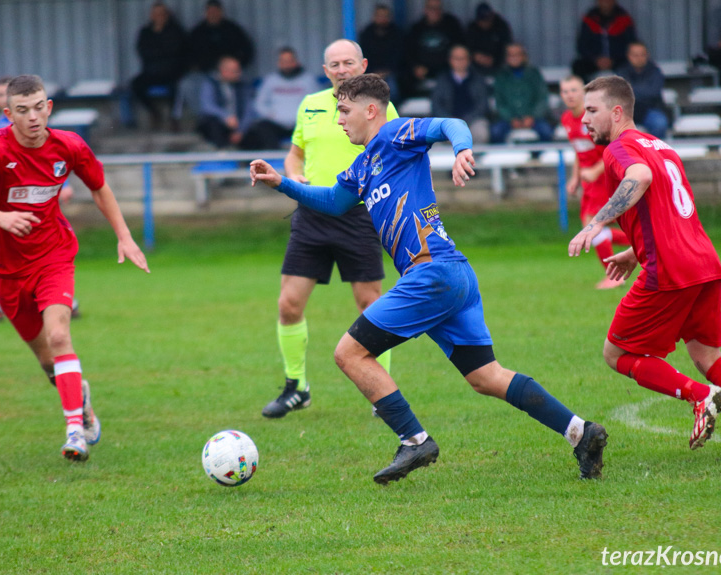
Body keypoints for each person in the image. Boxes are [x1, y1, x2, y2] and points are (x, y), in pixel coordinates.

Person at [251, 74, 608, 484]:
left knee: (348, 354)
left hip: (432, 273)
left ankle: (414, 440)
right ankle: (581, 433)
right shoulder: (363, 165)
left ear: (371, 110)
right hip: (452, 275)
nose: (339, 121)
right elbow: (333, 200)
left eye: (344, 111)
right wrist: (281, 183)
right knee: (486, 377)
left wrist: (462, 150)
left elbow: (450, 124)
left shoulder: (396, 133)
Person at [0, 75, 151, 462]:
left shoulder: (69, 145)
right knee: (45, 358)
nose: (33, 117)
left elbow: (99, 186)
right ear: (8, 114)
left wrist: (125, 236)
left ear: (49, 107)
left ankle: (74, 431)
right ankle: (80, 398)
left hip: (53, 255)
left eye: (39, 107)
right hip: (4, 268)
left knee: (58, 336)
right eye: (23, 111)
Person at [568, 75, 721, 456]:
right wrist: (633, 252)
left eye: (592, 111)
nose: (585, 120)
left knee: (617, 354)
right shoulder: (661, 146)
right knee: (706, 355)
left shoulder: (619, 148)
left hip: (672, 268)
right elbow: (667, 210)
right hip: (703, 260)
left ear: (616, 111)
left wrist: (595, 224)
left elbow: (639, 178)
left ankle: (701, 396)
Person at [260, 39, 398, 420]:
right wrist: (293, 175)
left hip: (360, 216)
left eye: (348, 62)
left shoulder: (379, 108)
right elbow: (295, 153)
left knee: (372, 306)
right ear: (325, 71)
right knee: (288, 304)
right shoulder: (311, 104)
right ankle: (296, 387)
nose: (342, 69)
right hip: (312, 214)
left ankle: (381, 393)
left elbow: (393, 155)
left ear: (363, 64)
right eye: (334, 64)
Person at [0, 77, 81, 323]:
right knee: (13, 256)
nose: (0, 99)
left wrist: (66, 184)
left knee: (42, 253)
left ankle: (59, 301)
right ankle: (18, 303)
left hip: (32, 200)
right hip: (10, 206)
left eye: (3, 94)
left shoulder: (30, 123)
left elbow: (51, 156)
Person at [559, 75, 629, 290]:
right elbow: (579, 151)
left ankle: (614, 276)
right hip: (589, 181)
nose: (569, 95)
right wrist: (575, 177)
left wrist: (596, 170)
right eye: (565, 91)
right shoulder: (567, 119)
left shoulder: (593, 118)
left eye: (574, 90)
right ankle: (647, 241)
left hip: (604, 177)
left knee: (592, 225)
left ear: (583, 92)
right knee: (591, 227)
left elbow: (611, 148)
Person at [173, 0, 255, 123]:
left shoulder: (233, 29)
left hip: (230, 72)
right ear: (205, 13)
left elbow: (248, 50)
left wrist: (236, 66)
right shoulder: (198, 31)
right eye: (210, 11)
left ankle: (236, 119)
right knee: (187, 84)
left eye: (215, 11)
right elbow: (186, 54)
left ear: (221, 12)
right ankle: (202, 117)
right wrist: (196, 66)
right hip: (206, 72)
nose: (213, 14)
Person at [242, 47, 320, 151]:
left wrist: (305, 117)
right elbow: (259, 103)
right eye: (283, 61)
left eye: (289, 61)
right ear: (279, 63)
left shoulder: (308, 80)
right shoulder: (270, 80)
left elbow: (317, 103)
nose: (287, 65)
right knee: (261, 127)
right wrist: (270, 114)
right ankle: (273, 158)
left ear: (296, 62)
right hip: (276, 124)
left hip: (300, 124)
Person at [130, 1, 186, 130]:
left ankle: (174, 118)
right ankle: (154, 112)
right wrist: (161, 53)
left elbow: (177, 51)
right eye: (156, 14)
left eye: (162, 13)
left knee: (177, 87)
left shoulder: (175, 31)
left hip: (172, 71)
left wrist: (159, 53)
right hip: (151, 71)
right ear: (151, 16)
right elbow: (143, 51)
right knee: (136, 84)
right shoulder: (145, 32)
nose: (159, 16)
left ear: (167, 15)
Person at [491, 44, 553, 143]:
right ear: (506, 58)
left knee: (546, 131)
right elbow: (500, 103)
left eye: (517, 54)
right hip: (508, 120)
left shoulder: (534, 74)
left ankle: (537, 157)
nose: (514, 58)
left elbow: (542, 98)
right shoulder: (501, 76)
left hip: (534, 118)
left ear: (524, 56)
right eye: (511, 55)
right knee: (496, 132)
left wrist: (532, 117)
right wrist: (511, 118)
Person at [403, 0, 464, 98]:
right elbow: (408, 51)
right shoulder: (417, 28)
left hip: (446, 68)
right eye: (431, 8)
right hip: (424, 69)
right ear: (425, 10)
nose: (435, 11)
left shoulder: (451, 25)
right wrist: (415, 66)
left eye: (437, 8)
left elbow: (460, 47)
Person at [431, 45, 490, 143]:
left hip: (473, 122)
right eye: (456, 58)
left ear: (469, 60)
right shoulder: (442, 79)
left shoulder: (478, 79)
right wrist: (451, 121)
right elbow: (436, 105)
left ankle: (474, 158)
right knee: (435, 135)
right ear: (450, 60)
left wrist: (465, 121)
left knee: (481, 132)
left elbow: (483, 105)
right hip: (447, 123)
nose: (460, 62)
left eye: (463, 58)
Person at [197, 55, 257, 148]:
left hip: (238, 124)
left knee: (256, 131)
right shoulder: (211, 83)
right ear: (223, 71)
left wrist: (240, 130)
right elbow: (207, 105)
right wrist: (226, 116)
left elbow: (248, 110)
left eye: (238, 70)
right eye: (235, 71)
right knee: (211, 123)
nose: (239, 73)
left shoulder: (243, 86)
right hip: (219, 123)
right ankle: (222, 152)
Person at [572, 0, 637, 81]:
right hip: (594, 61)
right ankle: (586, 91)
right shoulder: (589, 18)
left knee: (633, 64)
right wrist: (596, 59)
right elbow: (582, 45)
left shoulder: (624, 18)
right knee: (578, 66)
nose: (606, 3)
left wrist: (613, 59)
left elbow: (630, 44)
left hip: (617, 60)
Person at [615, 42, 667, 139]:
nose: (639, 58)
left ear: (647, 55)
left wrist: (633, 91)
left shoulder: (655, 71)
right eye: (635, 55)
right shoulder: (621, 71)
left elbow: (654, 92)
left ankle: (656, 152)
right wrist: (643, 91)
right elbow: (623, 93)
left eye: (642, 54)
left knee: (660, 123)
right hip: (626, 112)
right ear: (628, 56)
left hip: (650, 110)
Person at [358, 4, 404, 103]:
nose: (382, 19)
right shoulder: (366, 34)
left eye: (385, 16)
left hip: (392, 73)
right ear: (374, 17)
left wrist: (386, 71)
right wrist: (374, 72)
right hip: (370, 72)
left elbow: (400, 56)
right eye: (379, 16)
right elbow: (362, 56)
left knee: (393, 90)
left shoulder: (397, 34)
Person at [464, 2, 513, 76]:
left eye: (488, 20)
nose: (485, 23)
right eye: (483, 21)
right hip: (476, 69)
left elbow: (508, 47)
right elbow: (466, 47)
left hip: (499, 67)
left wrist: (495, 60)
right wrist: (475, 56)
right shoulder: (472, 28)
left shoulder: (501, 26)